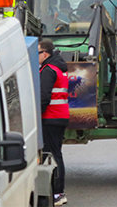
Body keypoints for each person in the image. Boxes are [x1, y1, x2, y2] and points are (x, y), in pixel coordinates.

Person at [39, 39, 70, 206]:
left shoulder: (48, 70)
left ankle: (58, 192)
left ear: (45, 54)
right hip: (59, 116)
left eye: (37, 53)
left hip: (50, 117)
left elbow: (44, 97)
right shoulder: (59, 68)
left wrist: (36, 115)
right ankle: (58, 191)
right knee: (56, 153)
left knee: (53, 155)